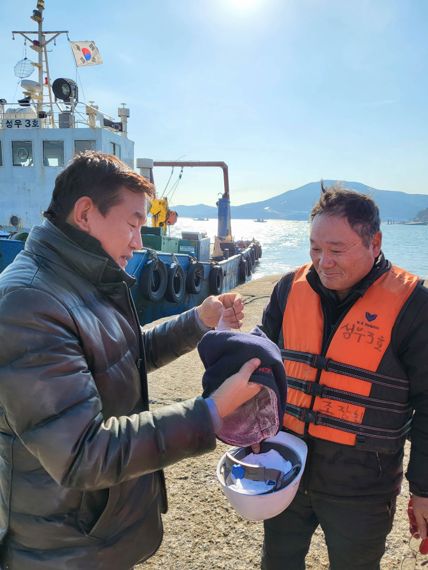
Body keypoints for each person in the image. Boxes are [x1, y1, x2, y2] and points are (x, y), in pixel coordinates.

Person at [0, 151, 261, 570]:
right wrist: (211, 412)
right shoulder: (28, 302)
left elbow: (120, 353)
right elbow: (84, 454)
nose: (140, 242)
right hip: (63, 547)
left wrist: (198, 321)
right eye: (134, 223)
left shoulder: (76, 279)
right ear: (85, 213)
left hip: (93, 532)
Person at [260, 184, 428, 570]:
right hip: (285, 469)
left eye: (337, 250)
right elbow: (261, 372)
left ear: (375, 242)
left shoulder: (414, 306)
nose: (324, 262)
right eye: (315, 249)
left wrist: (423, 490)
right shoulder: (288, 289)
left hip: (363, 487)